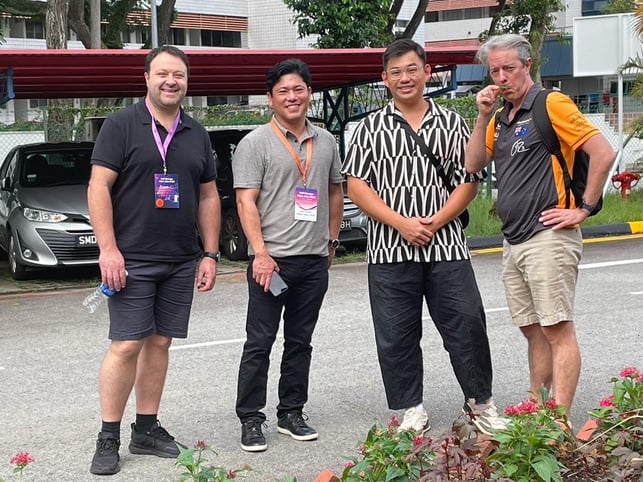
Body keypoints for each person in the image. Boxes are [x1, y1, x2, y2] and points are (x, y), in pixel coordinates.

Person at [342, 38, 504, 435]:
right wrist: (402, 223)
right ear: (384, 79)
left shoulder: (451, 122)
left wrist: (434, 222)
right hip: (388, 248)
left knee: (467, 323)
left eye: (412, 68)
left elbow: (469, 180)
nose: (404, 77)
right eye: (395, 71)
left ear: (427, 72)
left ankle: (480, 403)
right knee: (396, 334)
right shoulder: (368, 127)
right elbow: (357, 186)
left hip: (447, 244)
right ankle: (410, 407)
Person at [465, 34, 616, 418]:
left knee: (557, 329)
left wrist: (584, 208)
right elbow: (473, 165)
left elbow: (603, 152)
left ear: (526, 66)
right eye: (495, 70)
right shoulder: (501, 118)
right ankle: (536, 410)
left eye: (509, 69)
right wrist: (483, 114)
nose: (501, 78)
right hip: (514, 240)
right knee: (533, 329)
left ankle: (558, 421)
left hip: (549, 236)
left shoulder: (551, 104)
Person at [88, 45, 221, 475]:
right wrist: (108, 249)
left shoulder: (196, 132)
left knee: (160, 342)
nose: (171, 81)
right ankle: (109, 434)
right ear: (146, 77)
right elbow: (98, 187)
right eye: (163, 73)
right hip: (130, 258)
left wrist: (210, 253)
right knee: (126, 343)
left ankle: (146, 428)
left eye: (178, 75)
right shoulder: (121, 125)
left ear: (186, 81)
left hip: (181, 259)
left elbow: (207, 194)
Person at [232, 58, 344, 452]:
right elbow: (246, 202)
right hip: (271, 263)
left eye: (299, 89)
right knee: (259, 343)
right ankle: (250, 418)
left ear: (309, 93)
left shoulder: (326, 140)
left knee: (301, 341)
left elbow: (334, 192)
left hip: (313, 261)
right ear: (270, 98)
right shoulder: (254, 143)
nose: (292, 97)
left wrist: (331, 241)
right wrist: (259, 254)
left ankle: (291, 412)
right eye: (283, 91)